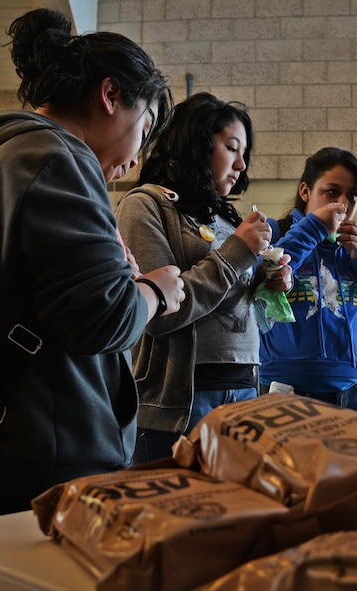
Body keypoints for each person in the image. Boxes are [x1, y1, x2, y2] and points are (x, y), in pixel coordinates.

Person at [0, 7, 185, 519]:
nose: (136, 160)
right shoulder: (58, 159)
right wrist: (157, 289)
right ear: (110, 96)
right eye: (144, 129)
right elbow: (106, 319)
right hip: (47, 454)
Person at [116, 92, 293, 463]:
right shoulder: (145, 204)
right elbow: (161, 315)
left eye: (245, 153)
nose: (242, 164)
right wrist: (238, 254)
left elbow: (235, 304)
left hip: (244, 391)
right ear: (197, 144)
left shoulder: (229, 219)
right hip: (180, 402)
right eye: (232, 147)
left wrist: (264, 283)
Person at [258, 147, 357, 415]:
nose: (343, 204)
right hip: (285, 392)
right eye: (332, 192)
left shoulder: (355, 251)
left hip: (354, 394)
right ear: (305, 192)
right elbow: (262, 279)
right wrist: (314, 227)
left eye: (352, 196)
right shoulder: (275, 233)